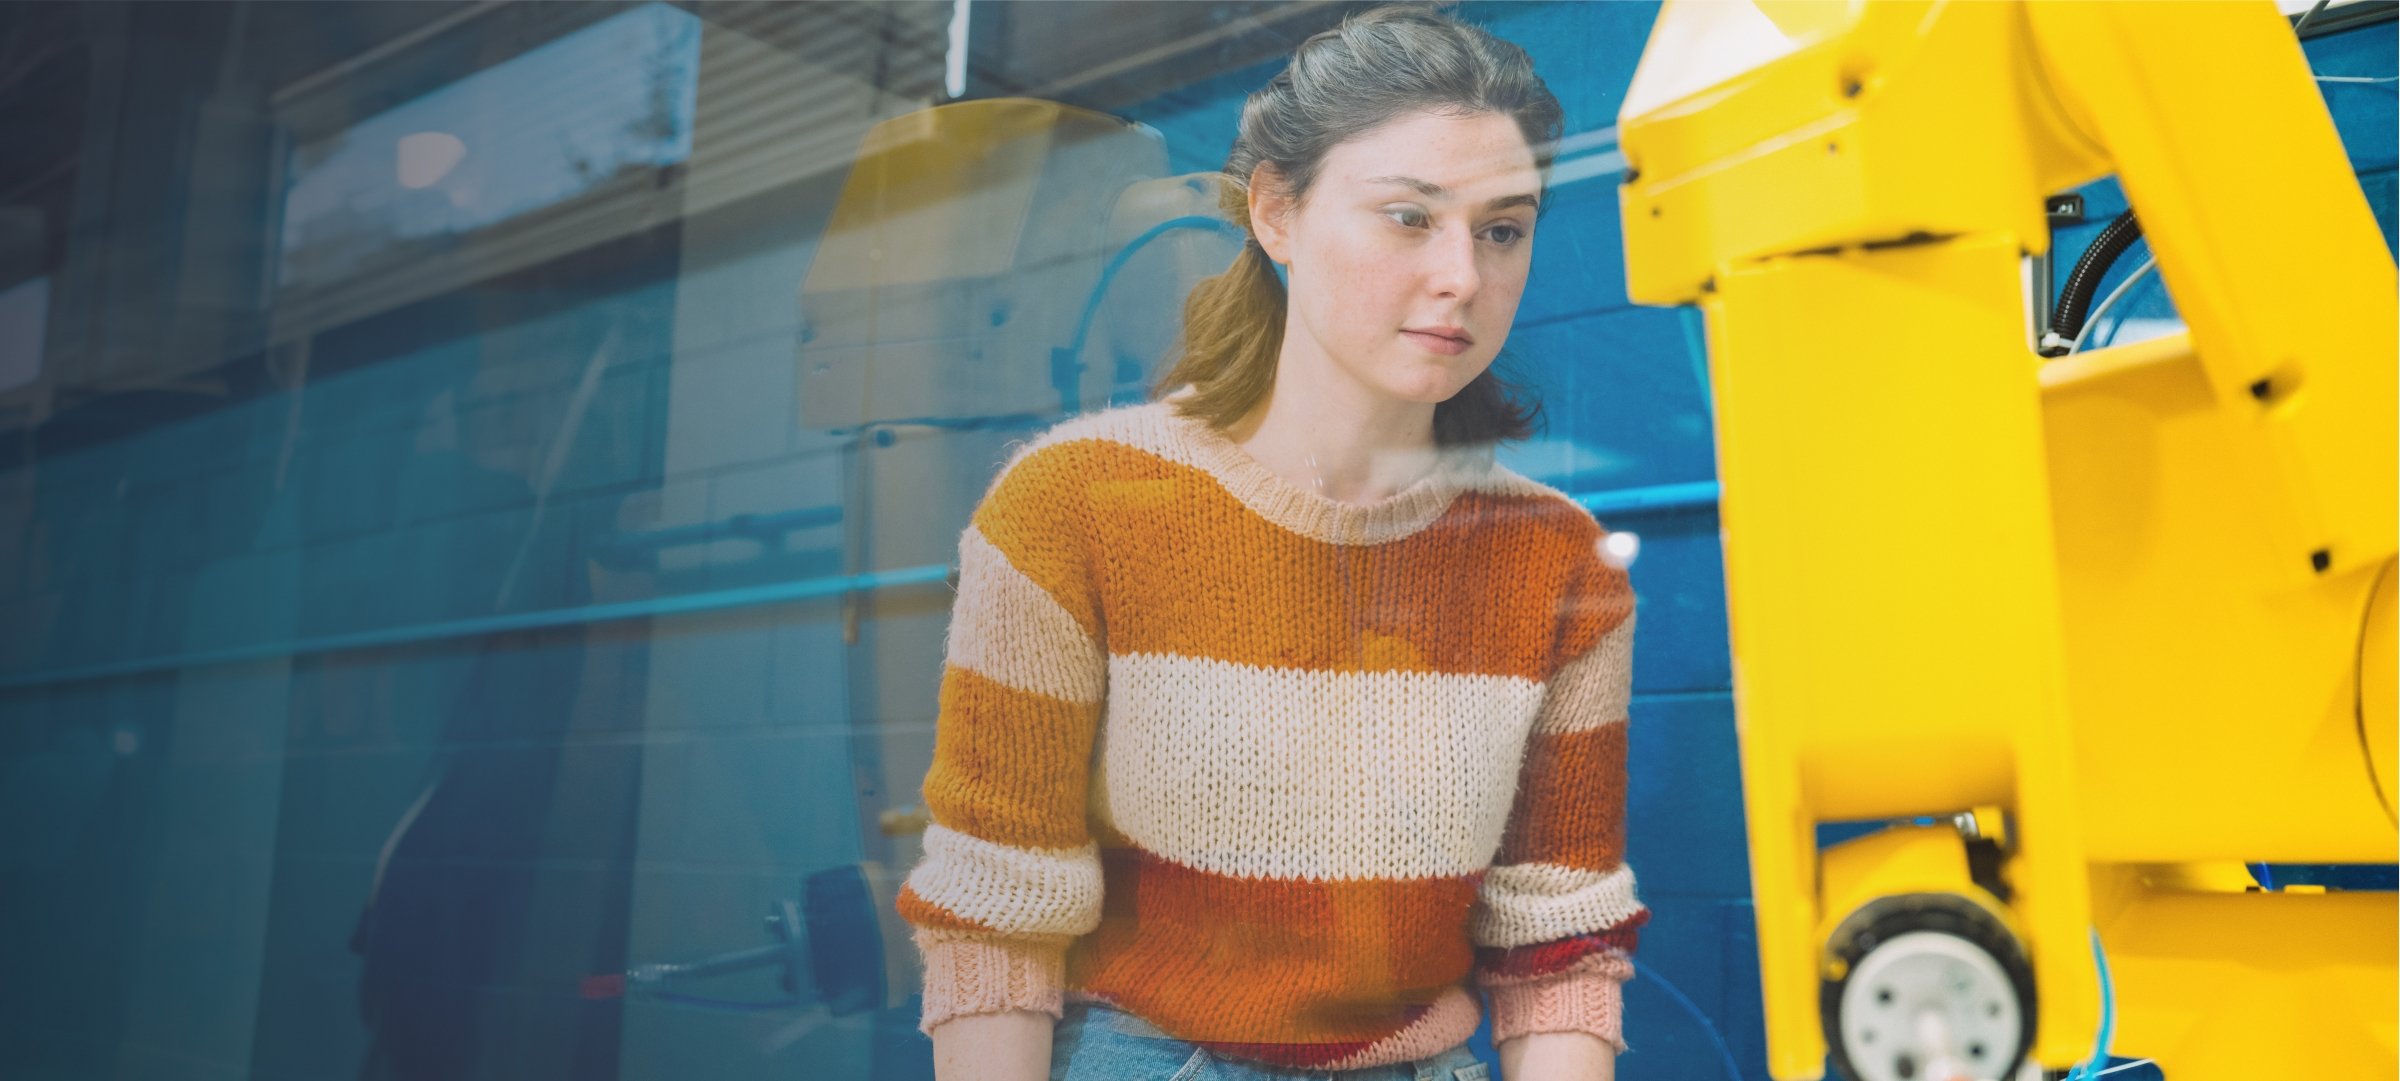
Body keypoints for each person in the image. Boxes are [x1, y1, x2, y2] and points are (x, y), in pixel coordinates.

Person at [896, 7, 1645, 1079]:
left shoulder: (1559, 562)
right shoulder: (1075, 504)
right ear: (1276, 213)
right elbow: (995, 918)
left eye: (1502, 229)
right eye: (1406, 216)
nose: (1462, 277)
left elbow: (1558, 943)